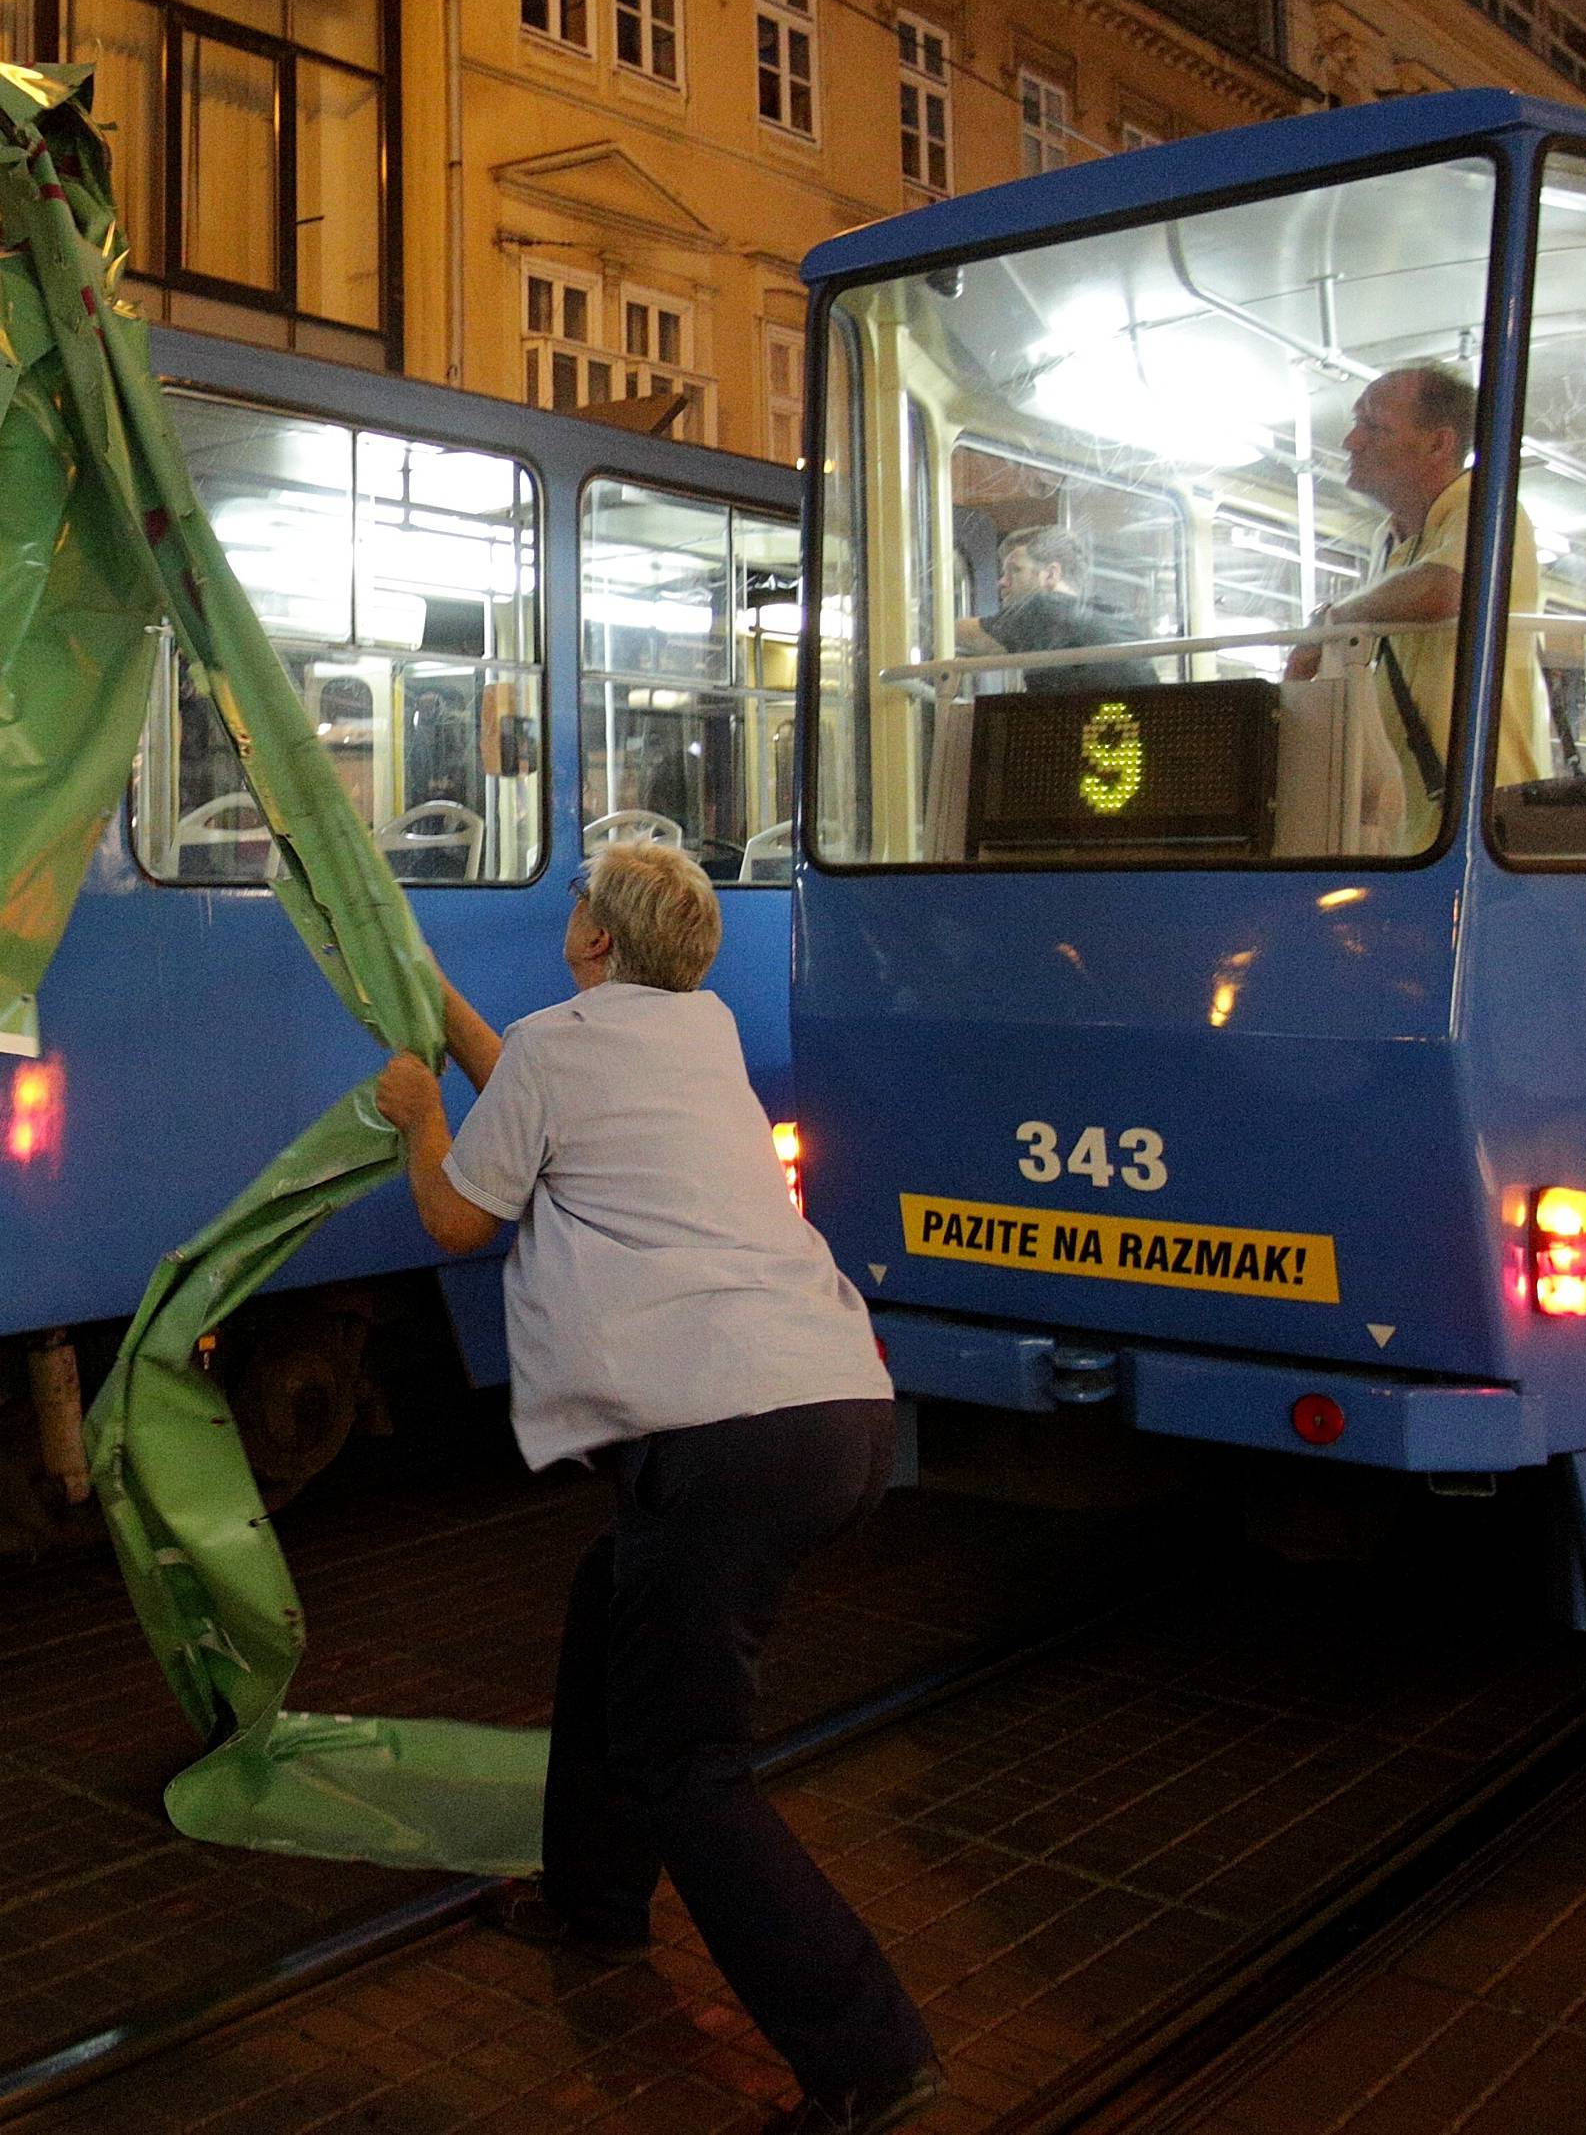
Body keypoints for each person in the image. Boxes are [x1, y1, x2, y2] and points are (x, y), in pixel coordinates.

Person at [374, 845, 943, 2135]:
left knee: (693, 1763)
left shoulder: (565, 1046)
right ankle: (594, 1900)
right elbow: (533, 1078)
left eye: (576, 902)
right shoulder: (699, 1028)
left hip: (731, 1437)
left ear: (595, 942)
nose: (566, 917)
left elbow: (459, 1219)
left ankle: (869, 2055)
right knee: (611, 1587)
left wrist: (418, 1114)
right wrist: (433, 993)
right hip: (835, 1406)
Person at [1286, 366, 1542, 848]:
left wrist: (1331, 623)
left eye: (1374, 426)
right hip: (1410, 828)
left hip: (1484, 826)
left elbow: (1446, 590)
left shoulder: (1487, 508)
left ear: (1438, 445)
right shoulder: (1388, 541)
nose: (1350, 440)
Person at [953, 523, 1158, 694]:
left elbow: (959, 634)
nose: (1002, 582)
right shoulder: (1115, 615)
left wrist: (923, 625)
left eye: (1015, 570)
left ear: (1051, 574)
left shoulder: (1043, 608)